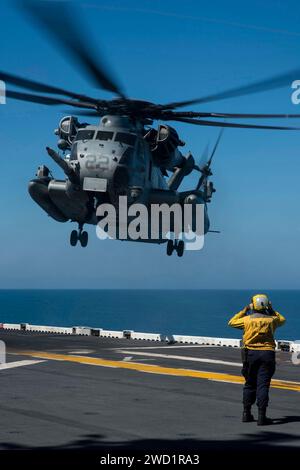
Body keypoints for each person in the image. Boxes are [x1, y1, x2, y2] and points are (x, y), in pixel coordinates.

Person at [228, 294, 286, 426]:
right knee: (263, 385)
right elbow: (282, 319)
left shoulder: (247, 320)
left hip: (250, 355)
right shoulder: (272, 320)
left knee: (249, 384)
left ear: (253, 305)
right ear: (266, 305)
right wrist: (271, 309)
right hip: (267, 354)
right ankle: (261, 416)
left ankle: (246, 413)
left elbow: (231, 322)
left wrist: (245, 310)